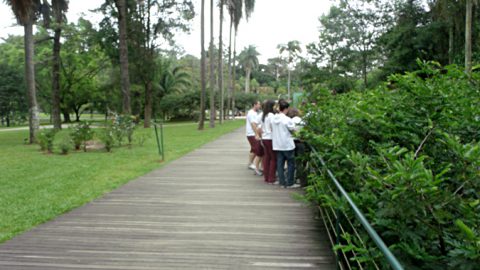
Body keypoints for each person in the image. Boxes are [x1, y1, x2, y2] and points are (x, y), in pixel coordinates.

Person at [271, 100, 300, 188]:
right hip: (287, 145)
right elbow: (294, 130)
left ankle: (282, 182)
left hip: (277, 144)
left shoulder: (273, 119)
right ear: (286, 109)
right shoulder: (287, 120)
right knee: (291, 164)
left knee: (280, 164)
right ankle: (290, 182)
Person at [287, 107, 307, 187]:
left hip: (292, 142)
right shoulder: (302, 121)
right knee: (300, 162)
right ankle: (301, 180)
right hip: (300, 142)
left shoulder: (290, 121)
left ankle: (292, 177)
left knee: (292, 161)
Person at [259, 100, 277, 184]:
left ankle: (266, 177)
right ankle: (271, 178)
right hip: (270, 138)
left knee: (267, 157)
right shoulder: (271, 115)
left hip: (264, 138)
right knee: (273, 158)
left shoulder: (264, 115)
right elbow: (273, 126)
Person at [246, 100, 263, 175]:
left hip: (252, 133)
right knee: (257, 149)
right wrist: (257, 134)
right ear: (254, 105)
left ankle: (250, 163)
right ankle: (254, 165)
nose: (260, 106)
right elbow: (253, 124)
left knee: (253, 149)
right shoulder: (251, 113)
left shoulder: (255, 113)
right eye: (258, 104)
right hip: (252, 133)